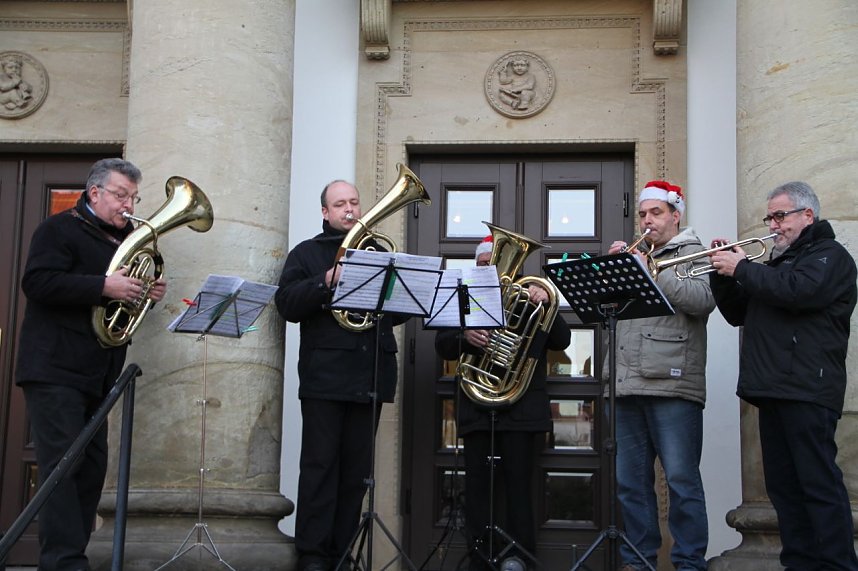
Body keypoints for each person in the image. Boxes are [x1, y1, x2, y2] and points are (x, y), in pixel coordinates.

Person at [15, 157, 167, 571]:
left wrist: (141, 294)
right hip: (54, 369)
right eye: (121, 195)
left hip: (98, 373)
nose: (128, 205)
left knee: (90, 471)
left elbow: (120, 311)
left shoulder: (126, 241)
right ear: (95, 192)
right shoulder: (58, 230)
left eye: (133, 197)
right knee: (63, 470)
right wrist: (105, 285)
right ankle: (62, 563)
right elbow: (38, 282)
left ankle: (73, 557)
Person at [708, 181, 858, 571]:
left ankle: (837, 565)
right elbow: (739, 312)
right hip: (774, 387)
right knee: (785, 490)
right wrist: (723, 276)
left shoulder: (829, 256)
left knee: (818, 486)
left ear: (807, 216)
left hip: (808, 389)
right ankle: (800, 564)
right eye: (770, 217)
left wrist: (742, 267)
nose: (773, 225)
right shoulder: (776, 262)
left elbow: (799, 292)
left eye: (780, 216)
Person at [275, 180, 408, 571]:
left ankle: (342, 554)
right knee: (320, 469)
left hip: (371, 375)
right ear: (325, 212)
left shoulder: (379, 253)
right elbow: (287, 304)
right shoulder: (307, 254)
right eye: (340, 204)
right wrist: (328, 280)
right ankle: (313, 555)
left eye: (353, 202)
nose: (349, 209)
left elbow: (400, 311)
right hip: (325, 378)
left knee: (356, 475)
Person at [434, 234, 571, 571]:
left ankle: (521, 560)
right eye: (483, 264)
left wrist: (546, 300)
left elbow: (563, 340)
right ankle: (481, 561)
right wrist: (464, 334)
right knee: (478, 491)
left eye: (494, 264)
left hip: (522, 410)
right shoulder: (464, 295)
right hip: (478, 408)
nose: (490, 270)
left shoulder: (531, 296)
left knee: (519, 490)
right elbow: (443, 346)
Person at [606, 181, 714, 571]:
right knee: (630, 485)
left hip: (672, 382)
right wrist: (611, 275)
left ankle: (689, 563)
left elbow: (702, 301)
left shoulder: (694, 252)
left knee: (682, 482)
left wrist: (648, 270)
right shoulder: (638, 254)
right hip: (625, 381)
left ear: (675, 215)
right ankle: (638, 562)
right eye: (643, 214)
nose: (647, 221)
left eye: (656, 213)